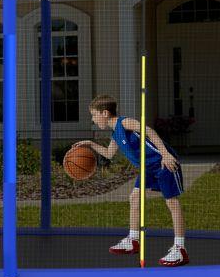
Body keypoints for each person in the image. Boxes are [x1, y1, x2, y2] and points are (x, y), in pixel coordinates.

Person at [76, 94, 189, 266]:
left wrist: (166, 155)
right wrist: (90, 144)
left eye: (93, 114)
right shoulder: (116, 133)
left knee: (172, 202)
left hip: (163, 162)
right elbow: (108, 154)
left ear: (104, 113)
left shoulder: (124, 122)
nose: (92, 118)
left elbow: (149, 131)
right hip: (147, 168)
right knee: (134, 198)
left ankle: (180, 249)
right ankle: (133, 240)